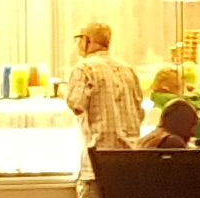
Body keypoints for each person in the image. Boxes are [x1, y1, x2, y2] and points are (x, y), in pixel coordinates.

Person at [62, 23, 148, 155]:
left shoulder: (84, 68)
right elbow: (140, 113)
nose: (78, 44)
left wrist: (63, 92)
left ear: (88, 40)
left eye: (79, 39)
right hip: (130, 153)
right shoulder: (128, 69)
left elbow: (76, 104)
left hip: (99, 152)